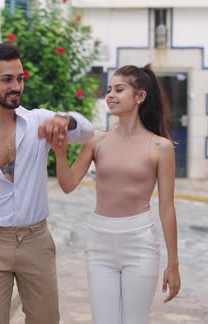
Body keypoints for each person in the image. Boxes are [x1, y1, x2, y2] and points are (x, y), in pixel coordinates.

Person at [0, 43, 94, 324]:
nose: (16, 86)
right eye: (7, 79)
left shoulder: (39, 121)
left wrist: (65, 120)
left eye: (20, 78)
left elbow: (86, 131)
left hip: (36, 240)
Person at [51, 64, 181, 324]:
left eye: (119, 89)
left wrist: (173, 264)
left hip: (140, 243)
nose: (110, 94)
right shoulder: (96, 141)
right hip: (99, 243)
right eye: (109, 89)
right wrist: (61, 152)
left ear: (140, 96)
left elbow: (167, 208)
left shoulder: (161, 147)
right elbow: (68, 184)